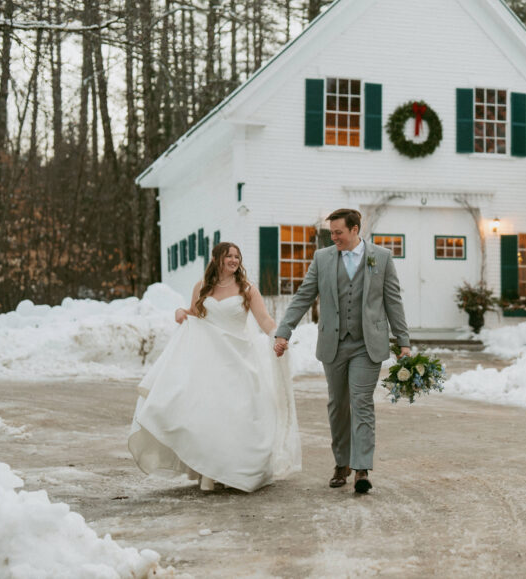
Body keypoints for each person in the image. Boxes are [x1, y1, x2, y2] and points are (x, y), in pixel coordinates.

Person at [129, 242, 301, 492]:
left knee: (238, 415)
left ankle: (238, 469)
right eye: (229, 256)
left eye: (237, 256)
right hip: (209, 361)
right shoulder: (202, 287)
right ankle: (210, 470)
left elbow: (263, 318)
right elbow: (195, 314)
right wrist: (180, 311)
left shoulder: (247, 289)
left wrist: (278, 335)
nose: (233, 260)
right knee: (209, 415)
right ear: (217, 259)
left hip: (239, 359)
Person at [274, 208, 410, 494]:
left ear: (355, 229)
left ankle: (361, 468)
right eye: (331, 232)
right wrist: (284, 330)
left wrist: (404, 341)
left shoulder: (381, 258)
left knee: (361, 402)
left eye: (339, 232)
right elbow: (304, 295)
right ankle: (341, 463)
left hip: (367, 344)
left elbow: (393, 301)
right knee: (338, 405)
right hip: (333, 344)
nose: (333, 237)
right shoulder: (322, 258)